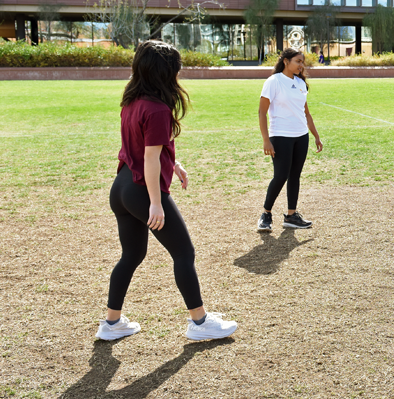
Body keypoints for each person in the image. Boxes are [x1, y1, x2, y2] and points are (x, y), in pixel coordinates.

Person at [97, 41, 238, 341]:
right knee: (184, 252)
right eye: (175, 70)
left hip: (121, 187)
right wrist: (156, 202)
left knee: (132, 255)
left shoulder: (131, 100)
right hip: (140, 191)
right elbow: (148, 158)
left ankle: (111, 324)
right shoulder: (159, 108)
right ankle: (199, 323)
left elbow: (146, 147)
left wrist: (174, 165)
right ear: (165, 72)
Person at [257, 48, 323, 231]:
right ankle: (266, 214)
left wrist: (316, 136)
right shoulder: (274, 81)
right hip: (280, 136)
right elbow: (262, 112)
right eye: (298, 61)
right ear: (285, 61)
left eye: (303, 62)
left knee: (295, 176)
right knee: (280, 176)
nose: (301, 65)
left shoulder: (301, 83)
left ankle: (291, 216)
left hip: (301, 136)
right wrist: (266, 140)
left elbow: (306, 113)